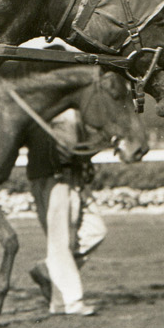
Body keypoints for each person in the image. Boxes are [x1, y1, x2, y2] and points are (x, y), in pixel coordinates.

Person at [25, 108, 105, 316]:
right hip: (53, 178)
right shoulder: (49, 108)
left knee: (96, 230)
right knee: (60, 243)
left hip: (73, 178)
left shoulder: (72, 108)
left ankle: (49, 272)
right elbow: (66, 150)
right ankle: (71, 301)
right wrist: (103, 141)